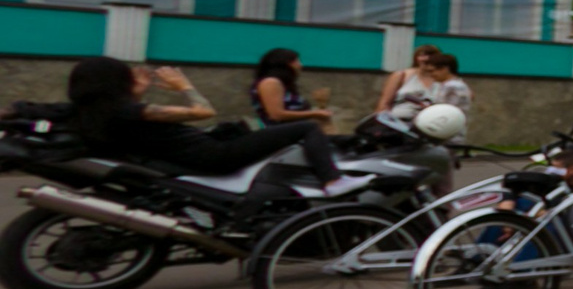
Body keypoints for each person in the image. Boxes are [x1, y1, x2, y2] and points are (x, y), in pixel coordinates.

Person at [65, 56, 361, 191]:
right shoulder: (136, 112)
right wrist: (183, 85)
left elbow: (130, 110)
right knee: (307, 128)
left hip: (184, 157)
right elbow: (204, 111)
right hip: (212, 156)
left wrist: (138, 90)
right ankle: (332, 180)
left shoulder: (95, 112)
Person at [251, 48, 333, 128]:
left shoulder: (284, 85)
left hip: (297, 130)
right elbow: (276, 115)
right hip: (280, 132)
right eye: (297, 61)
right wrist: (314, 114)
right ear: (287, 64)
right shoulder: (270, 83)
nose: (301, 65)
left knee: (341, 139)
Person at [374, 43, 443, 120]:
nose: (426, 59)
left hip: (433, 122)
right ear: (416, 58)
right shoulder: (402, 75)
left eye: (431, 55)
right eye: (422, 55)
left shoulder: (443, 79)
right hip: (400, 122)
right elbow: (385, 102)